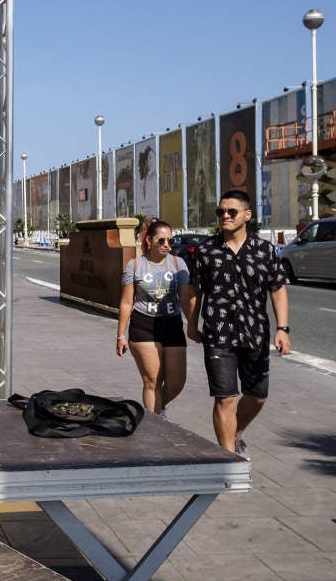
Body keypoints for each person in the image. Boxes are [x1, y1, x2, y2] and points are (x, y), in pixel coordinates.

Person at [185, 190, 290, 456]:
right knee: (226, 397)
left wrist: (282, 329)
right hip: (218, 334)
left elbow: (277, 289)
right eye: (221, 211)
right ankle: (228, 457)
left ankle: (236, 432)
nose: (225, 216)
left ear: (247, 215)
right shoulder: (206, 250)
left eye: (232, 212)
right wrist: (191, 323)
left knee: (257, 396)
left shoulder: (264, 251)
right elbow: (194, 290)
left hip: (255, 333)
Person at [116, 218, 190, 420]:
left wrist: (193, 324)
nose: (167, 245)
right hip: (143, 325)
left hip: (172, 324)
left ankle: (157, 409)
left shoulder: (178, 263)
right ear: (149, 240)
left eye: (170, 241)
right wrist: (120, 335)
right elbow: (126, 302)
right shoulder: (135, 265)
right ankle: (155, 424)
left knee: (176, 382)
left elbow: (185, 299)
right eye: (161, 241)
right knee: (152, 380)